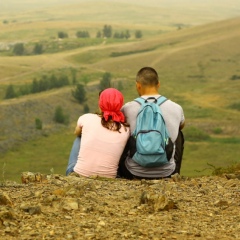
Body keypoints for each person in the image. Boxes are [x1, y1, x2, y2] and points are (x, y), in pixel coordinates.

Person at [118, 67, 185, 179]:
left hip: (132, 172)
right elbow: (182, 125)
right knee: (179, 133)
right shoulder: (176, 108)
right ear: (158, 84)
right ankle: (176, 173)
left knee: (123, 131)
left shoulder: (127, 109)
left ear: (138, 85)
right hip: (167, 172)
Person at [66, 88, 130, 178]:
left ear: (101, 103)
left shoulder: (87, 118)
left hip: (80, 175)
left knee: (79, 137)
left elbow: (76, 132)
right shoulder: (126, 129)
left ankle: (76, 172)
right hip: (110, 177)